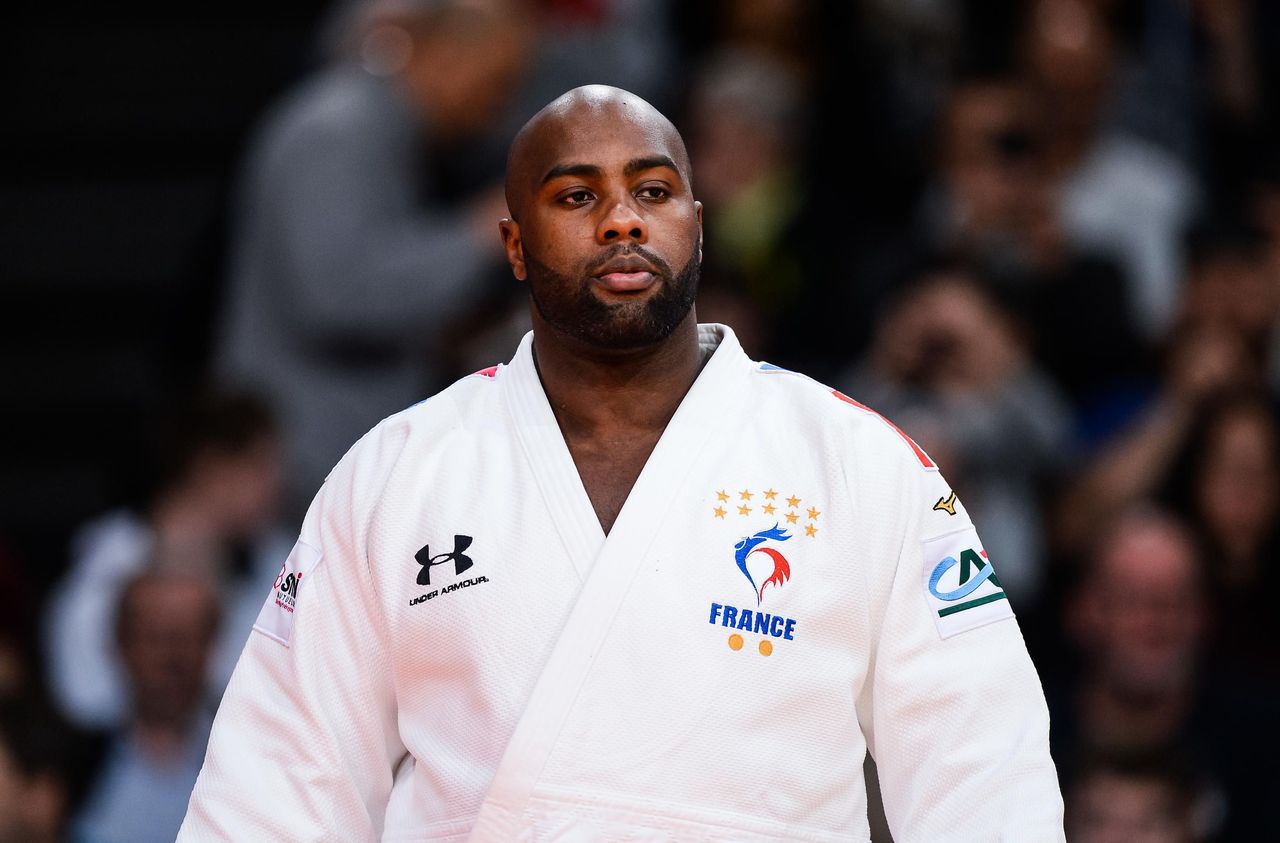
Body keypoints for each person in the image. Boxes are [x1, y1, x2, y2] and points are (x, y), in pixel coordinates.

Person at [180, 85, 1063, 840]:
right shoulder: (398, 472)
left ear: (698, 225)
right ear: (515, 243)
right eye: (575, 196)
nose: (622, 218)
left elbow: (983, 767)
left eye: (654, 189)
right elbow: (279, 785)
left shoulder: (859, 460)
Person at [73, 570, 221, 843]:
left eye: (191, 639)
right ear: (121, 645)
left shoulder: (245, 755)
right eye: (158, 639)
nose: (175, 659)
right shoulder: (75, 760)